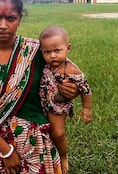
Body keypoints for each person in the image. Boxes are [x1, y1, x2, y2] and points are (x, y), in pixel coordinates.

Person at [0, 0, 79, 174]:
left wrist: (71, 89)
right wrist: (5, 151)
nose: (3, 25)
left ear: (19, 19)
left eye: (10, 18)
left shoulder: (36, 51)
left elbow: (69, 75)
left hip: (38, 141)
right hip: (2, 141)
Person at [39, 26, 93, 174]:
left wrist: (87, 108)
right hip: (42, 103)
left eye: (57, 51)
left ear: (68, 48)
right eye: (47, 52)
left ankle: (63, 156)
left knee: (58, 133)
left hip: (57, 107)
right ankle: (48, 153)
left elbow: (85, 89)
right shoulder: (45, 64)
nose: (52, 56)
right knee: (45, 132)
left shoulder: (72, 69)